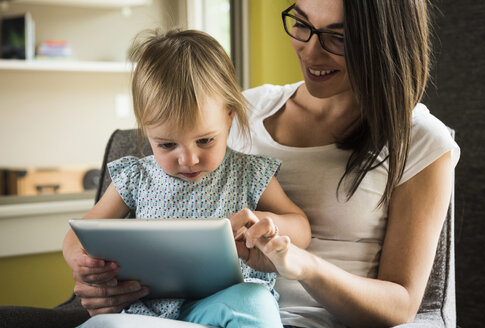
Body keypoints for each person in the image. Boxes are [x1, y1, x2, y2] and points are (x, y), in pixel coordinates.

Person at [68, 0, 461, 327]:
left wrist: (298, 263)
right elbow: (88, 238)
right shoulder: (242, 108)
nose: (309, 50)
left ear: (385, 41)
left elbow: (402, 304)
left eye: (337, 37)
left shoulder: (422, 141)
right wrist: (97, 282)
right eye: (302, 24)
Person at [62, 29, 311, 328]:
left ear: (229, 116)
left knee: (255, 301)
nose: (188, 159)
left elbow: (301, 227)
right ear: (146, 130)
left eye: (205, 140)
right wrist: (81, 260)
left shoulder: (249, 173)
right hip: (147, 313)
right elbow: (78, 233)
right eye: (167, 145)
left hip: (223, 306)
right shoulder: (135, 177)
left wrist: (267, 225)